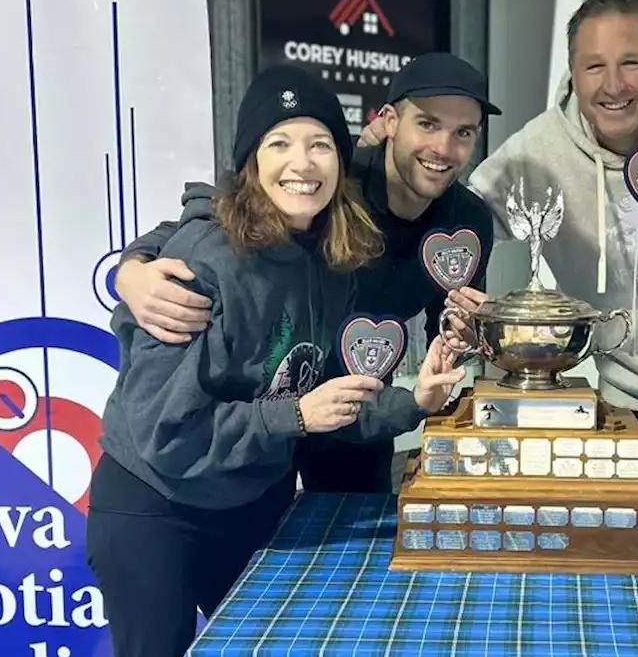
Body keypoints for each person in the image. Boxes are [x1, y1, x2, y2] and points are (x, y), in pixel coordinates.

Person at [85, 65, 466, 657]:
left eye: (320, 145)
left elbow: (323, 406)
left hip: (252, 499)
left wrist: (414, 401)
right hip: (157, 509)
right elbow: (169, 434)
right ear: (250, 161)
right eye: (279, 143)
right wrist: (294, 415)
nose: (303, 162)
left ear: (341, 162)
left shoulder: (332, 257)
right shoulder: (199, 263)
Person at [373, 0, 638, 535]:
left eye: (631, 63)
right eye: (595, 67)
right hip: (631, 408)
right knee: (636, 571)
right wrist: (366, 169)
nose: (614, 86)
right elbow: (449, 205)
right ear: (572, 74)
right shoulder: (537, 151)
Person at [109, 53, 498, 494]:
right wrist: (133, 268)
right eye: (427, 124)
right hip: (261, 404)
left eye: (463, 133)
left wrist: (468, 337)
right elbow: (220, 219)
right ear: (390, 121)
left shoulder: (469, 220)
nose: (443, 149)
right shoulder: (331, 181)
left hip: (355, 404)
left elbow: (448, 330)